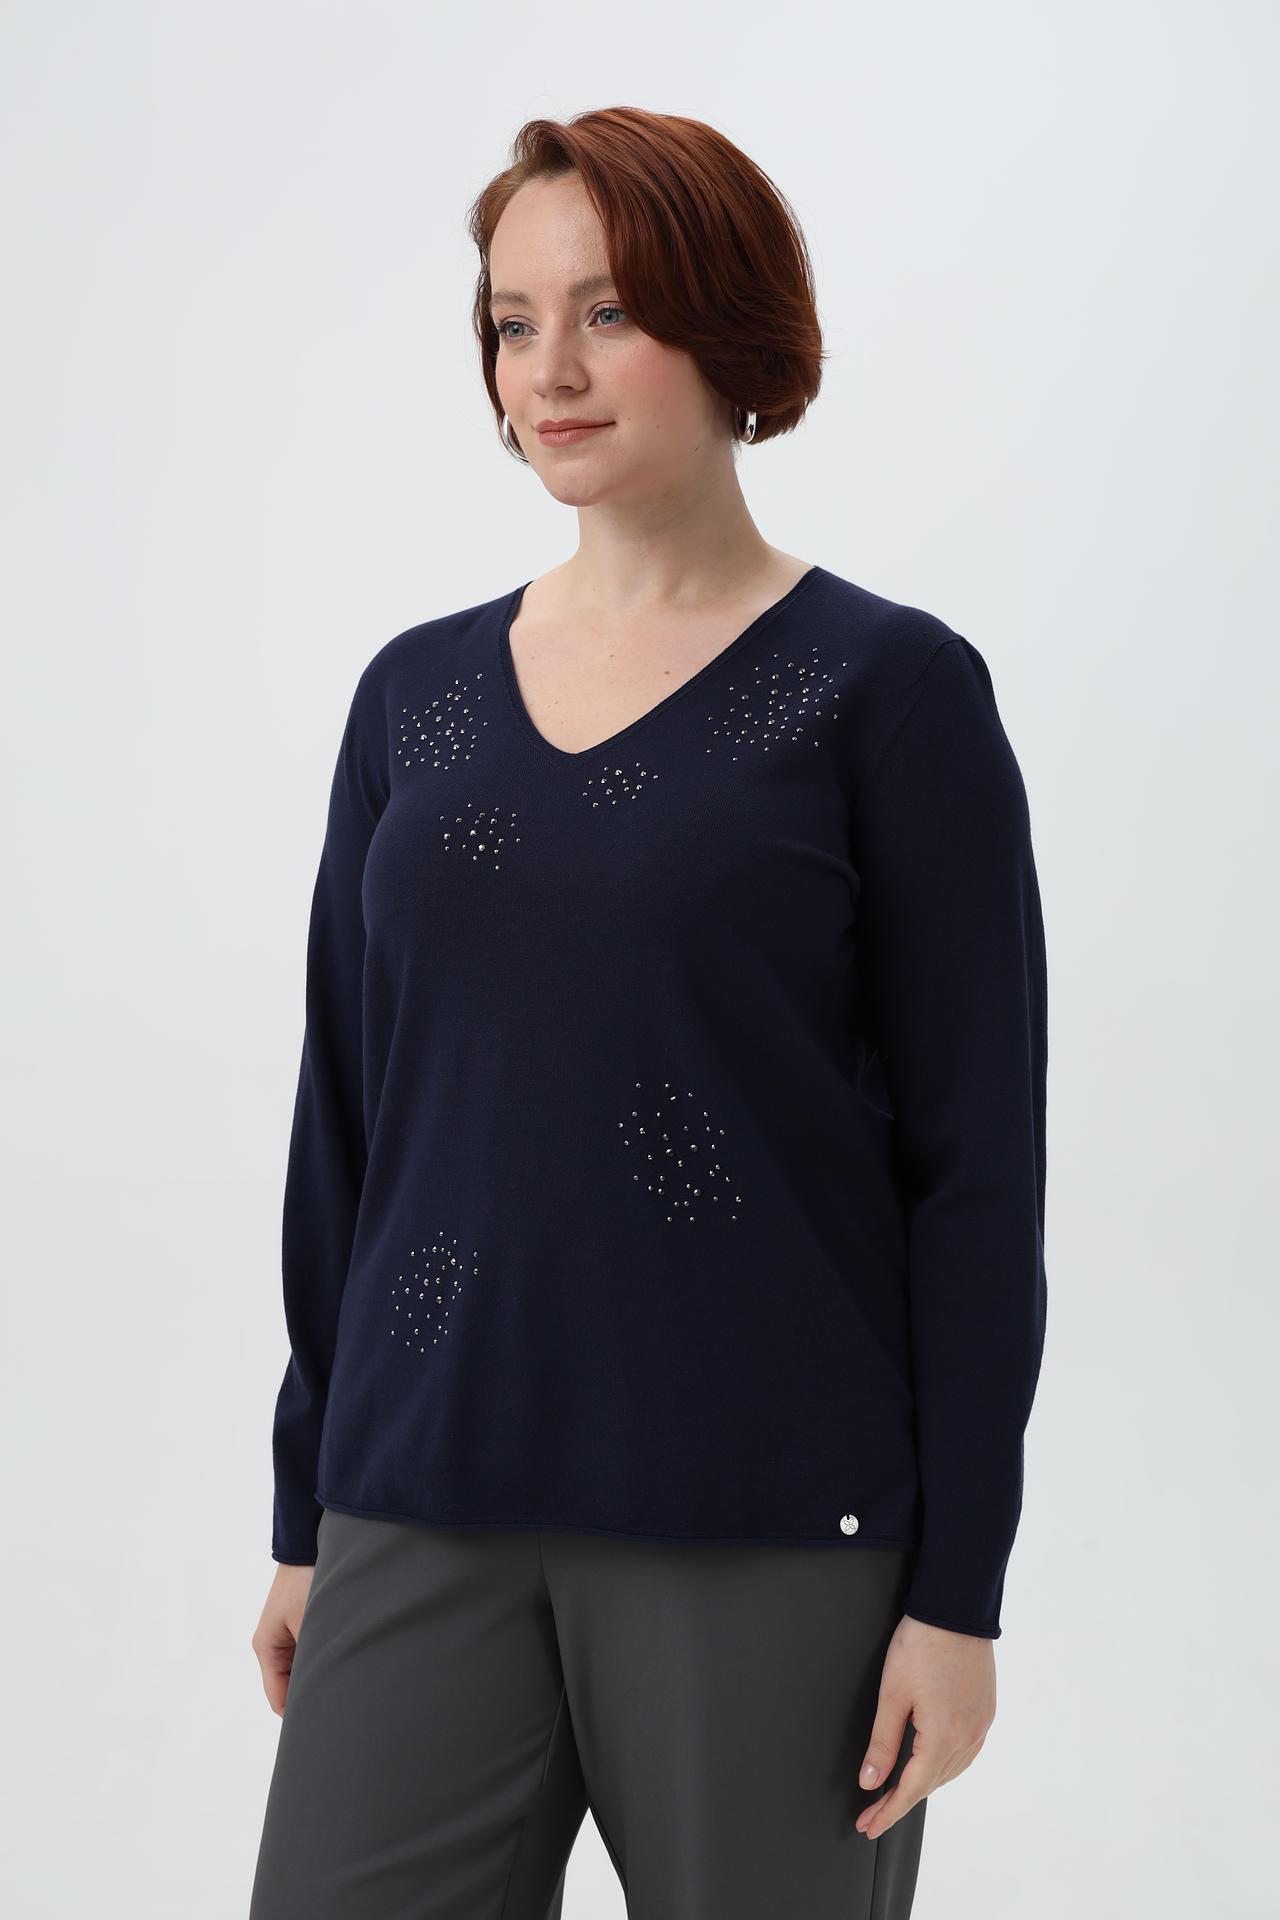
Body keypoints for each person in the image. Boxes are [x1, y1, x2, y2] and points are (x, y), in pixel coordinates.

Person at [248, 105, 1049, 1920]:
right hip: (420, 1494)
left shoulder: (889, 693)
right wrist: (310, 1513)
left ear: (732, 323)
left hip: (767, 1522)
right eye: (513, 321)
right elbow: (350, 1130)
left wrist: (959, 1593)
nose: (550, 370)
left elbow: (977, 1176)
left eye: (608, 312)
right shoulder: (413, 700)